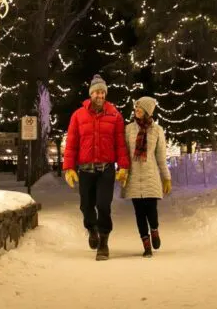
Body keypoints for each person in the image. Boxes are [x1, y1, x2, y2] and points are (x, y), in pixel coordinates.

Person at [63, 74, 130, 260]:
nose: (100, 95)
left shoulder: (115, 115)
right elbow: (71, 143)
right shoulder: (78, 115)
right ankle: (91, 228)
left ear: (105, 94)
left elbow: (120, 144)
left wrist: (123, 166)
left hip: (106, 169)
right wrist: (69, 167)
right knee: (86, 206)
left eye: (102, 92)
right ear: (91, 94)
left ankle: (103, 242)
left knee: (103, 205)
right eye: (96, 92)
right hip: (85, 170)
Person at [121, 96, 171, 258]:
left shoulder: (157, 130)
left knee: (151, 210)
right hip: (134, 177)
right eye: (136, 108)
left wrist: (166, 178)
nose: (137, 110)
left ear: (148, 111)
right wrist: (122, 170)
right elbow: (124, 154)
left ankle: (154, 230)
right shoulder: (128, 129)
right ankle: (146, 245)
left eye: (140, 108)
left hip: (151, 176)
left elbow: (161, 158)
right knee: (139, 213)